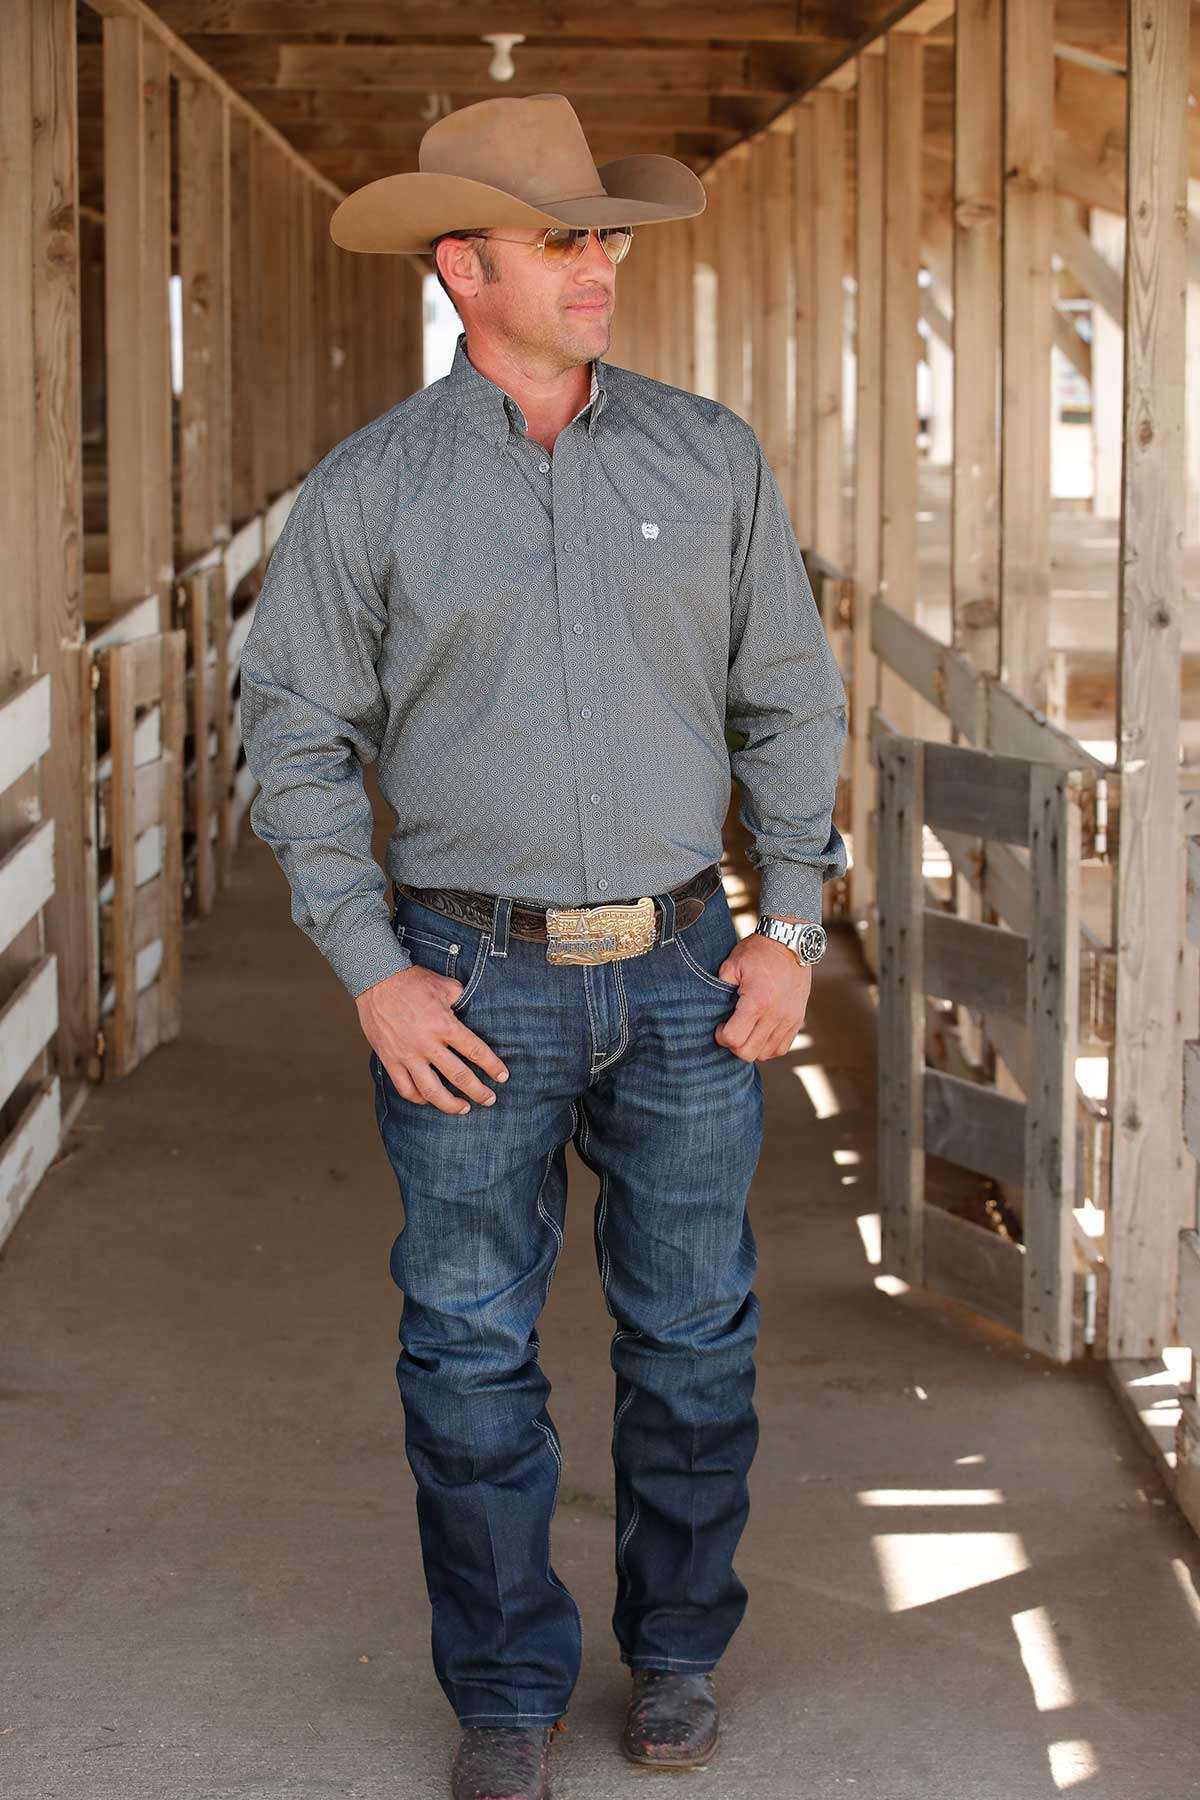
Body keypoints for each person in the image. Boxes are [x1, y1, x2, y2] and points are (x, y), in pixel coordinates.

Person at [239, 90, 847, 1800]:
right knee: (465, 1348)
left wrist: (794, 922)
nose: (600, 264)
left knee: (694, 1337)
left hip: (685, 968)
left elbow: (791, 702)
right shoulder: (372, 491)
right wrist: (371, 969)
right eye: (561, 238)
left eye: (604, 235)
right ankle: (505, 1691)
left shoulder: (709, 457)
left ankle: (677, 1656)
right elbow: (292, 740)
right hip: (468, 977)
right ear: (463, 266)